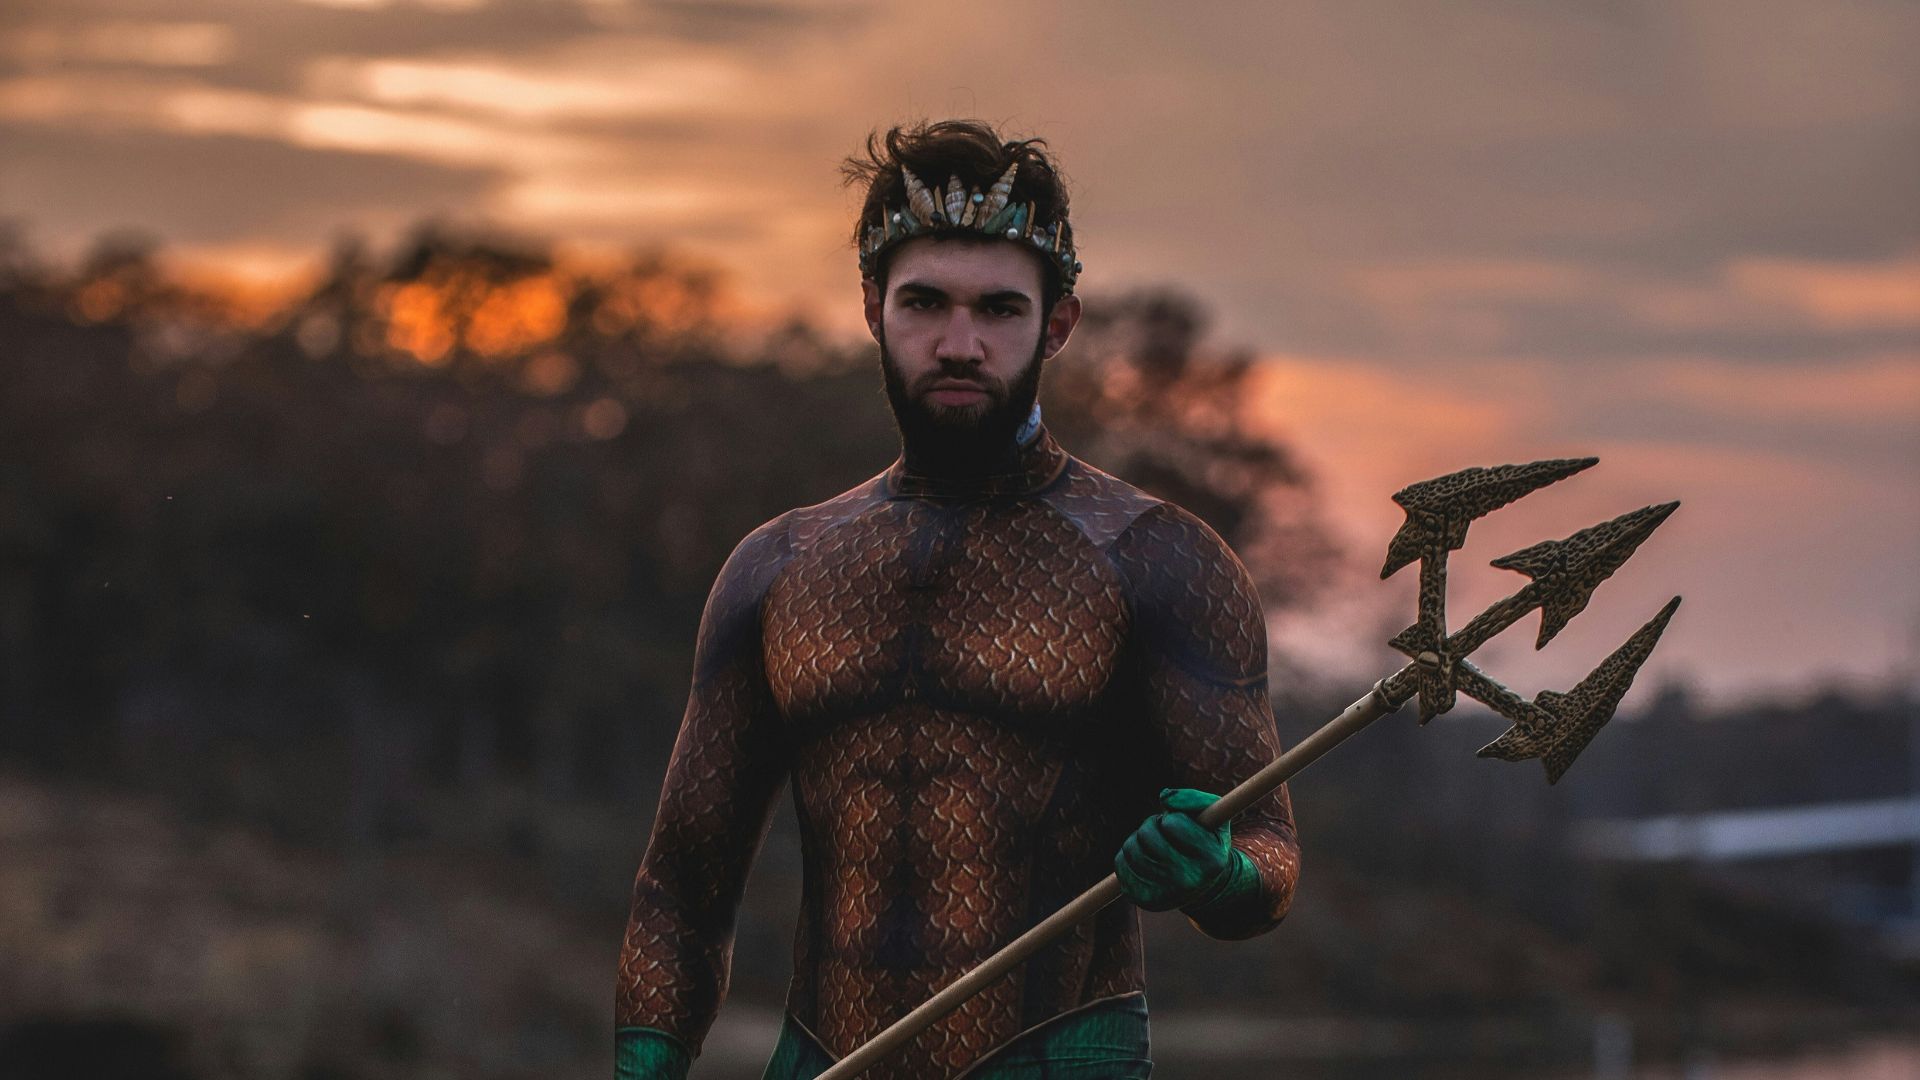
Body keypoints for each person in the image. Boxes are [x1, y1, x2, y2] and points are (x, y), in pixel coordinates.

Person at [615, 119, 1300, 1080]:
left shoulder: (1160, 558)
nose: (960, 343)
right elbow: (683, 886)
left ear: (1057, 325)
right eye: (926, 303)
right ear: (871, 307)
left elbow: (1269, 856)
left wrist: (1218, 874)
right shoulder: (778, 566)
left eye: (1000, 310)